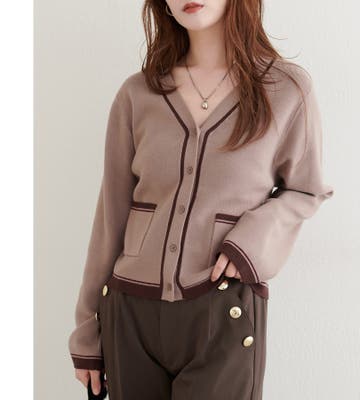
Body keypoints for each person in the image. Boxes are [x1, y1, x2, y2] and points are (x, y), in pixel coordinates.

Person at [68, 1, 335, 399]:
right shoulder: (137, 94)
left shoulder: (285, 89)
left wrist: (251, 241)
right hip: (130, 313)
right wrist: (87, 329)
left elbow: (307, 189)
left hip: (223, 306)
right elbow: (111, 215)